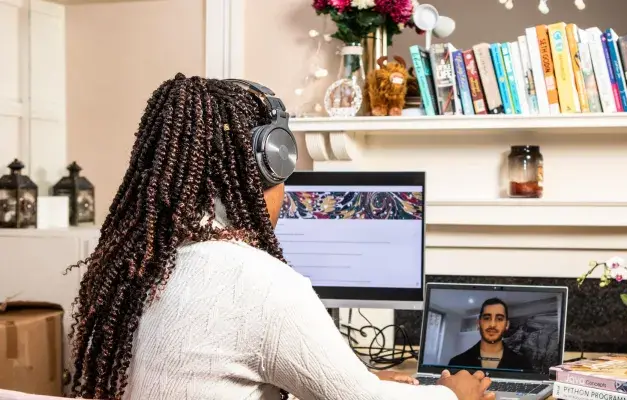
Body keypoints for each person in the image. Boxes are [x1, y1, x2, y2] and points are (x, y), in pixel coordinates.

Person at [66, 74, 494, 400]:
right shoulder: (260, 283)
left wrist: (350, 379)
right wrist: (454, 394)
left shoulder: (124, 269)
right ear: (269, 166)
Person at [448, 298, 532, 371]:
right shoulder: (456, 363)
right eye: (487, 318)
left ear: (507, 325)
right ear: (478, 323)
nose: (492, 324)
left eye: (499, 319)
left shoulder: (523, 364)